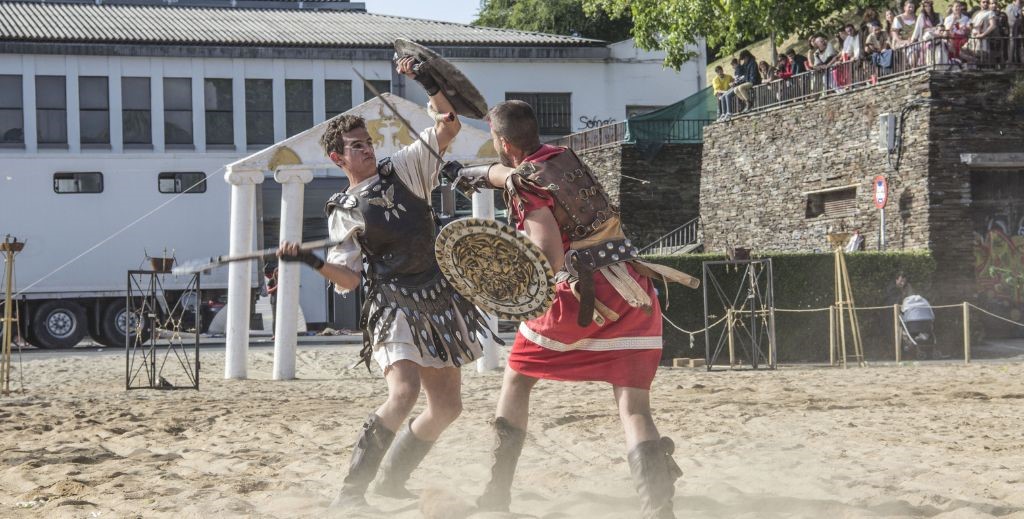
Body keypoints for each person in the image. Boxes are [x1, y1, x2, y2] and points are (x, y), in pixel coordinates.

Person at [443, 100, 691, 518]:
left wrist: (509, 278)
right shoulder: (562, 158)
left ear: (502, 142)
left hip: (580, 298)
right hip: (632, 292)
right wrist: (477, 175)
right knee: (633, 407)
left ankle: (496, 494)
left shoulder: (525, 184)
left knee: (517, 382)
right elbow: (519, 177)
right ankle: (658, 508)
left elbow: (548, 256)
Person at [278, 56, 498, 508]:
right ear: (337, 157)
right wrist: (312, 260)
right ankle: (351, 493)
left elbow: (449, 124)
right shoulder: (344, 209)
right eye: (356, 146)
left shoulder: (405, 168)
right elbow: (348, 278)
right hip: (394, 304)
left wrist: (425, 79)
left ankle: (392, 481)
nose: (367, 150)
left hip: (438, 298)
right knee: (403, 392)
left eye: (367, 142)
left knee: (448, 408)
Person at [264, 263, 278, 339]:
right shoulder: (272, 280)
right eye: (276, 272)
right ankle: (274, 334)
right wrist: (276, 287)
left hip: (282, 301)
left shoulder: (284, 280)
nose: (278, 273)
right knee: (275, 318)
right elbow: (268, 291)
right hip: (274, 300)